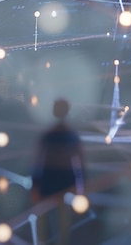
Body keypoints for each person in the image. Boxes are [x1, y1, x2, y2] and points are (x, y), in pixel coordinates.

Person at [31, 98, 86, 245]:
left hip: (53, 179)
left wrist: (35, 184)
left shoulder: (51, 135)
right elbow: (80, 163)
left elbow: (38, 162)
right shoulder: (68, 136)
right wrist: (81, 186)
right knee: (59, 219)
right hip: (58, 179)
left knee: (52, 219)